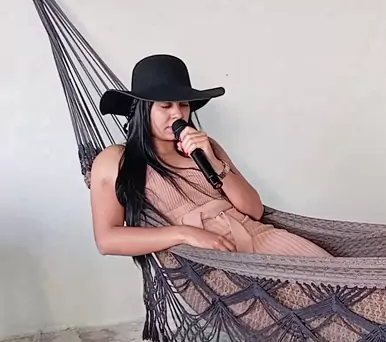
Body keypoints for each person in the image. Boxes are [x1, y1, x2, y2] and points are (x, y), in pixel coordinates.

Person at [91, 55, 330, 259]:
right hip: (211, 261)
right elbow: (107, 240)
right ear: (143, 109)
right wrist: (185, 234)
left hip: (264, 239)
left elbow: (254, 210)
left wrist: (214, 162)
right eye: (166, 106)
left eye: (184, 105)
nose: (178, 114)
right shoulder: (116, 159)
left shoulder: (205, 146)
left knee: (339, 283)